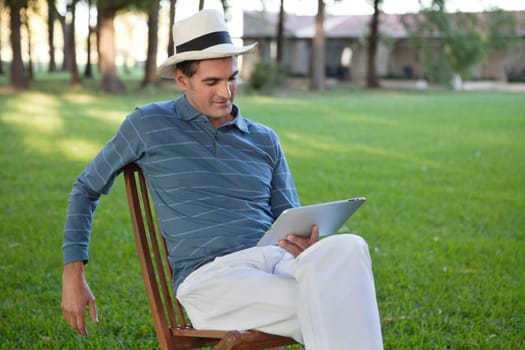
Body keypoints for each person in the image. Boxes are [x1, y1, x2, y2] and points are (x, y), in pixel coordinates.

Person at [61, 9, 383, 349]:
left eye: (232, 78)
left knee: (349, 247)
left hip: (276, 262)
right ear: (182, 79)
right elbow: (86, 187)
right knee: (338, 300)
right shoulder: (148, 125)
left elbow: (290, 218)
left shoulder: (263, 139)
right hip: (211, 280)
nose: (226, 93)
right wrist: (73, 272)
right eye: (211, 82)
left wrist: (306, 244)